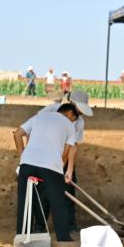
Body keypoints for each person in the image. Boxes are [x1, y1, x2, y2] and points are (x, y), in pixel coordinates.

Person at [13, 102, 80, 243]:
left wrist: (23, 157)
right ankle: (63, 237)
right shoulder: (69, 126)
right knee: (58, 202)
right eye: (74, 119)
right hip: (50, 165)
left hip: (27, 163)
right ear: (69, 113)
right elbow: (67, 151)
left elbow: (18, 134)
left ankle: (21, 235)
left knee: (24, 201)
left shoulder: (39, 117)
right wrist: (62, 168)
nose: (73, 122)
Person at [37, 89, 94, 233]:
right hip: (45, 157)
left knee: (68, 189)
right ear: (72, 103)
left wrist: (69, 169)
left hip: (64, 158)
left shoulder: (79, 123)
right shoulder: (50, 111)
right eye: (79, 109)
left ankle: (69, 225)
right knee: (44, 191)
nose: (80, 113)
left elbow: (73, 146)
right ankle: (39, 226)